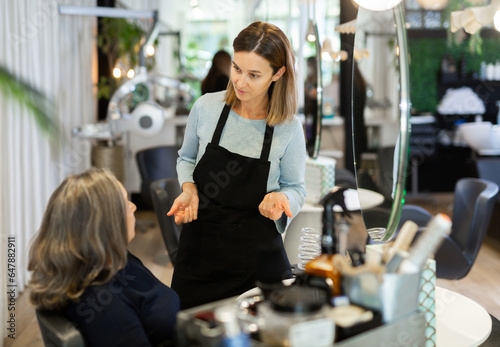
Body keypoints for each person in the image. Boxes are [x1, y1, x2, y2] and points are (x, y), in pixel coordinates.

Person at [168, 21, 307, 309]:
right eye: (237, 69)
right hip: (200, 254)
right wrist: (189, 188)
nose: (240, 82)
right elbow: (187, 158)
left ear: (278, 74)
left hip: (258, 259)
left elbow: (295, 188)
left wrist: (281, 198)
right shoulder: (206, 107)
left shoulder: (288, 128)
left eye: (254, 75)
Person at [27, 168, 180, 347]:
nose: (134, 207)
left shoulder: (112, 260)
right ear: (105, 224)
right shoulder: (102, 301)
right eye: (126, 204)